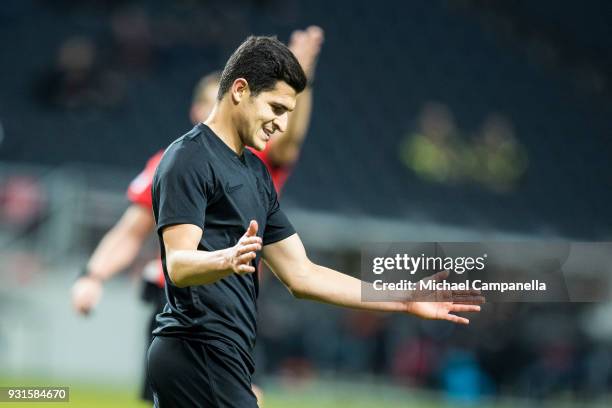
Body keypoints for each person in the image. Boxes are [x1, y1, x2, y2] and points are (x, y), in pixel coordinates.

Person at [147, 35, 484, 408]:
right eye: (276, 107)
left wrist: (403, 299)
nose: (281, 123)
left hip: (225, 359)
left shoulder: (256, 173)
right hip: (197, 352)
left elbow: (303, 275)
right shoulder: (188, 159)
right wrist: (226, 259)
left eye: (288, 111)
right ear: (240, 90)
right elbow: (178, 265)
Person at [71, 26, 324, 403]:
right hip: (182, 309)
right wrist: (93, 275)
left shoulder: (258, 164)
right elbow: (131, 231)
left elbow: (288, 143)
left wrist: (298, 79)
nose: (278, 122)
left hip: (233, 309)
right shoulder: (178, 161)